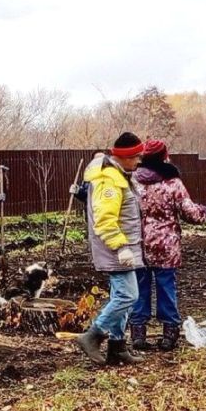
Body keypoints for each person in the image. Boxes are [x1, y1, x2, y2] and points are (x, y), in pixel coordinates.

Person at [130, 140, 206, 351]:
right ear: (164, 155)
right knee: (166, 287)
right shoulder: (171, 182)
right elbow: (190, 213)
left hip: (138, 244)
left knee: (140, 289)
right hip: (166, 245)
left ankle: (138, 334)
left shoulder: (133, 181)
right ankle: (169, 334)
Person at [75, 133, 145, 366]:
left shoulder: (119, 175)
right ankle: (93, 335)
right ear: (124, 157)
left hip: (124, 247)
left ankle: (117, 347)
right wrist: (121, 247)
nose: (139, 161)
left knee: (122, 297)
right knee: (128, 295)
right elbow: (105, 220)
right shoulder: (110, 180)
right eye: (135, 157)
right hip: (116, 248)